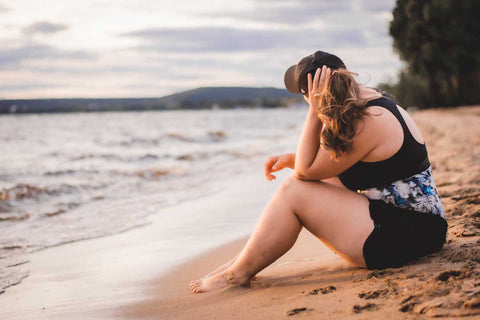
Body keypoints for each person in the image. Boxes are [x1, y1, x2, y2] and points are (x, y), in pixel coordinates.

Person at [189, 50, 447, 293]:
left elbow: (305, 172)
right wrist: (293, 159)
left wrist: (314, 113)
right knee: (306, 185)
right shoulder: (370, 101)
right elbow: (338, 170)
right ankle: (239, 264)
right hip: (419, 227)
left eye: (304, 96)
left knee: (294, 190)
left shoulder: (368, 120)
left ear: (311, 94)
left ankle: (238, 273)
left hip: (407, 237)